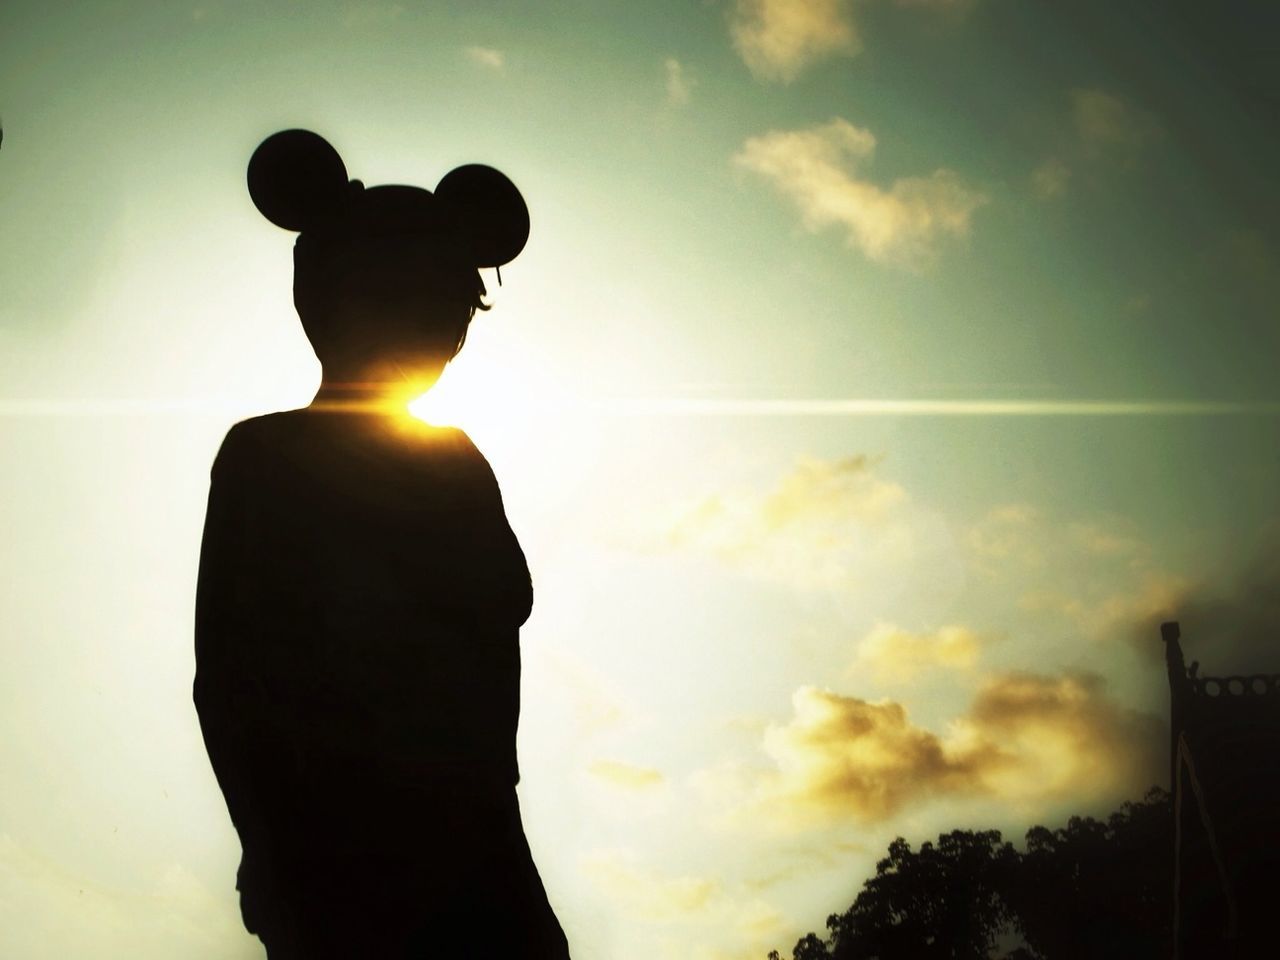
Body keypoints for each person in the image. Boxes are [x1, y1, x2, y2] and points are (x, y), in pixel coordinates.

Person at [193, 129, 569, 959]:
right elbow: (226, 680)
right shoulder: (267, 459)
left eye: (443, 299)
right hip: (341, 846)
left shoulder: (457, 466)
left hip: (474, 843)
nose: (437, 321)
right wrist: (271, 847)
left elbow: (496, 630)